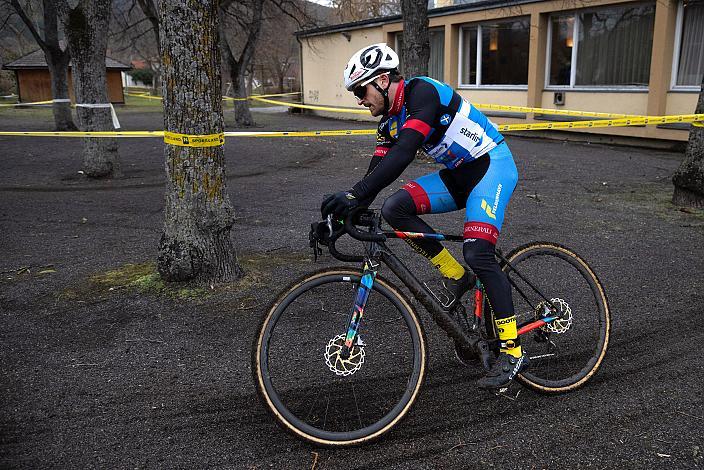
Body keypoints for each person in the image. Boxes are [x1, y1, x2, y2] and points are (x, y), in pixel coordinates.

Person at [320, 43, 527, 391]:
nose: (359, 99)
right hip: (460, 175)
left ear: (383, 80)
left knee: (478, 252)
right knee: (394, 209)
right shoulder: (389, 122)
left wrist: (354, 194)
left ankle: (512, 349)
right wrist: (340, 218)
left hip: (492, 166)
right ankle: (457, 276)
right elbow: (376, 175)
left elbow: (403, 153)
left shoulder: (423, 92)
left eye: (361, 90)